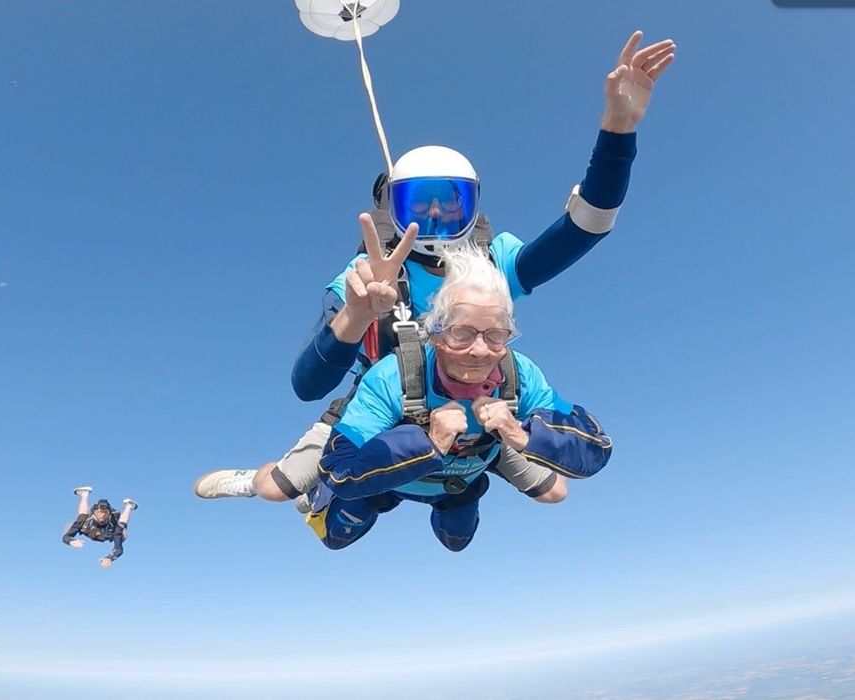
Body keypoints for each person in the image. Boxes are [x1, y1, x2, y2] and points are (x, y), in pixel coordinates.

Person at [193, 30, 671, 510]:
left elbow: (586, 227)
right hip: (389, 403)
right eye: (420, 202)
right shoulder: (371, 273)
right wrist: (357, 314)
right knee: (278, 488)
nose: (437, 214)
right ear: (393, 207)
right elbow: (308, 386)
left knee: (553, 492)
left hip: (479, 404)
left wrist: (618, 128)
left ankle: (461, 485)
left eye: (451, 201)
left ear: (473, 206)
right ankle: (256, 481)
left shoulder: (492, 261)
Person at [310, 243, 612, 550]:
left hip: (457, 485)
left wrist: (520, 434)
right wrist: (427, 442)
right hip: (390, 481)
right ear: (435, 334)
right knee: (336, 537)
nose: (479, 350)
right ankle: (317, 497)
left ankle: (464, 489)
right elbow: (338, 467)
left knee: (457, 540)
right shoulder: (394, 376)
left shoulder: (520, 375)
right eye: (462, 333)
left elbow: (595, 446)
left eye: (495, 335)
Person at [62, 486, 138, 568]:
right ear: (94, 513)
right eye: (99, 513)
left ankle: (129, 507)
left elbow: (119, 549)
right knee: (82, 516)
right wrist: (71, 541)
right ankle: (84, 495)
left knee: (121, 527)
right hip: (89, 530)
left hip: (108, 534)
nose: (102, 516)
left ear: (109, 514)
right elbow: (66, 537)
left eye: (105, 513)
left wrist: (110, 558)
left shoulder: (114, 526)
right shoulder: (86, 521)